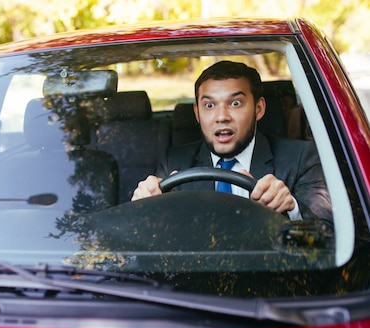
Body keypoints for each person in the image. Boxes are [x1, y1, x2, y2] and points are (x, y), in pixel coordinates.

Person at [131, 60, 332, 224]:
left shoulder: (301, 158)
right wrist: (142, 209)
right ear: (197, 113)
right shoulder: (174, 162)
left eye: (235, 103)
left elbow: (327, 234)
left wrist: (292, 209)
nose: (221, 117)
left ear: (259, 109)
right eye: (209, 105)